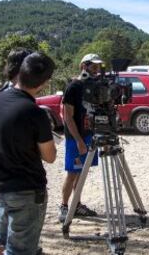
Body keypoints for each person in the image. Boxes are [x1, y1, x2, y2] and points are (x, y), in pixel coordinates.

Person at [0, 52, 57, 255]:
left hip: (1, 187)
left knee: (1, 239)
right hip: (26, 191)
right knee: (19, 250)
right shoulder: (35, 113)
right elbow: (50, 156)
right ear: (44, 83)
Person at [58, 53, 103, 223]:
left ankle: (76, 205)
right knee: (72, 173)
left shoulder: (94, 86)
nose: (96, 70)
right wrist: (78, 140)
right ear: (84, 66)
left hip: (90, 135)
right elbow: (67, 116)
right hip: (76, 137)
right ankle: (63, 205)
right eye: (94, 66)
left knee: (82, 173)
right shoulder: (74, 87)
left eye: (98, 67)